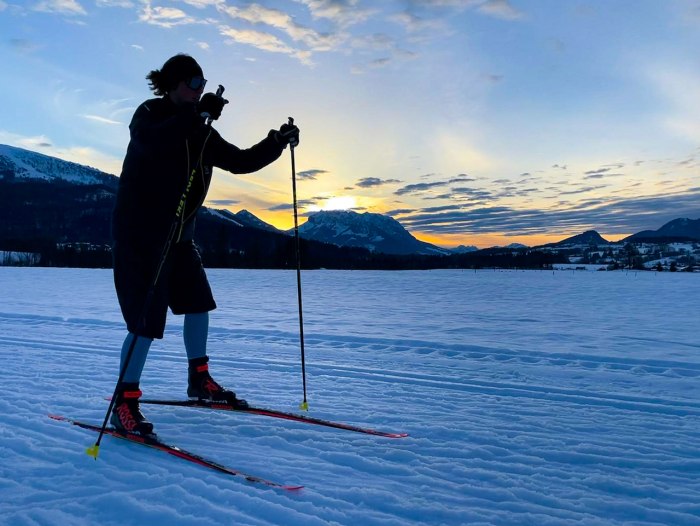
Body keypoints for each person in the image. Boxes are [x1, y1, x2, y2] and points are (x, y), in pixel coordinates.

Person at [110, 53, 299, 435]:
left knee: (199, 304)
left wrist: (276, 142)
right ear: (172, 84)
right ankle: (124, 402)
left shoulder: (200, 129)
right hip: (141, 239)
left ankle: (199, 379)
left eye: (202, 84)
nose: (199, 90)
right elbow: (154, 142)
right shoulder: (150, 114)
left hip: (179, 239)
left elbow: (240, 161)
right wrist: (196, 115)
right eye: (193, 83)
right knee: (145, 322)